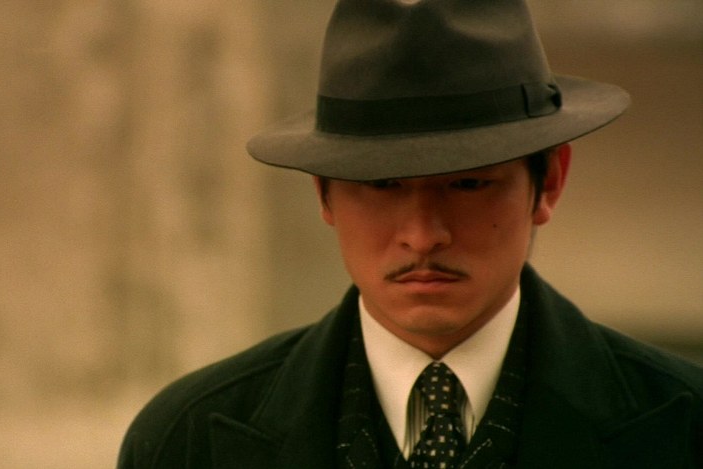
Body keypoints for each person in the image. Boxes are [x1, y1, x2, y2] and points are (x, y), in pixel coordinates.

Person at [118, 1, 703, 467]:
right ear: (323, 192)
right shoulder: (189, 441)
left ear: (548, 180)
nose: (423, 236)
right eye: (382, 185)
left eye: (469, 184)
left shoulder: (684, 428)